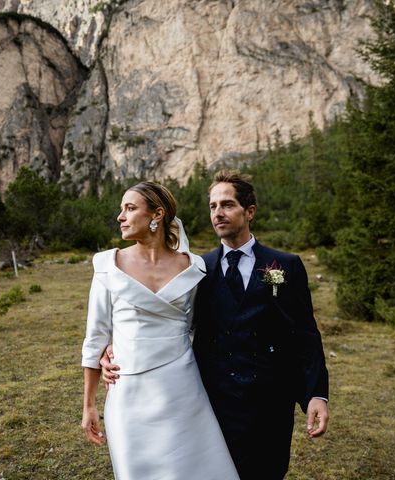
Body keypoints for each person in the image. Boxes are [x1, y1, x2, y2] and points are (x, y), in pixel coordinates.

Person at [102, 171, 329, 480]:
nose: (218, 213)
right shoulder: (198, 269)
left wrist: (316, 393)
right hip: (212, 401)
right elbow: (173, 321)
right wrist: (116, 349)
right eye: (212, 206)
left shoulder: (284, 265)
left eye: (228, 204)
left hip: (271, 402)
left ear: (249, 212)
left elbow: (304, 334)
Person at [80, 181, 239, 480]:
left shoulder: (194, 268)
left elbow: (199, 328)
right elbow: (96, 336)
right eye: (121, 209)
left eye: (130, 208)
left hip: (183, 391)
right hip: (128, 394)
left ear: (157, 214)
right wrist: (89, 405)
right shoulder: (107, 267)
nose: (120, 217)